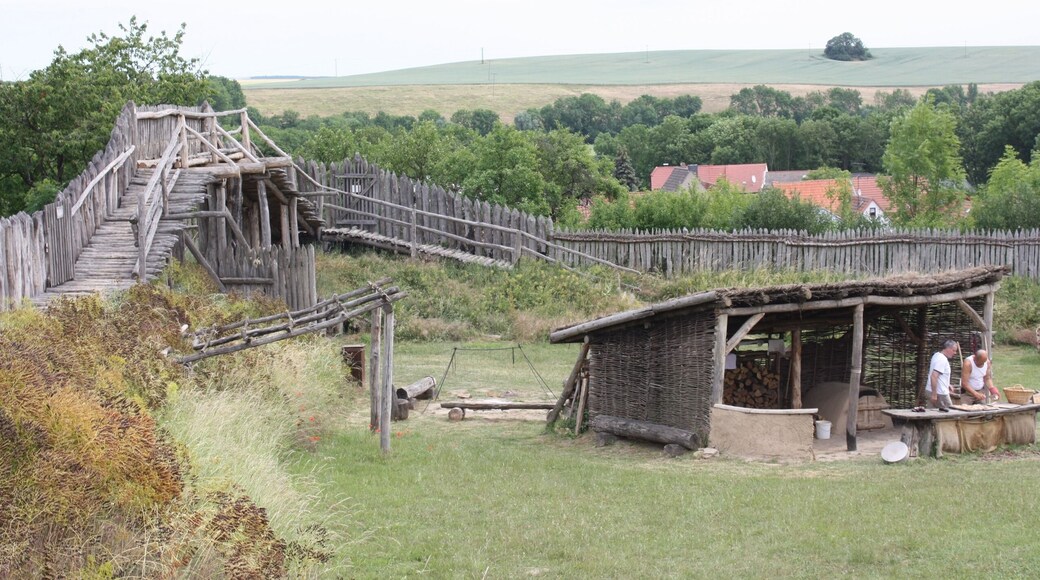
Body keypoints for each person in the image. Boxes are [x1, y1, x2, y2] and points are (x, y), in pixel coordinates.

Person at [925, 340, 958, 411]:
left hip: (931, 390)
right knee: (950, 413)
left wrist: (947, 384)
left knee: (931, 412)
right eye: (953, 350)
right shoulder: (941, 359)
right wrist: (934, 394)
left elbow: (939, 376)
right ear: (948, 348)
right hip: (940, 393)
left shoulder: (937, 355)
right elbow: (934, 376)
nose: (955, 353)